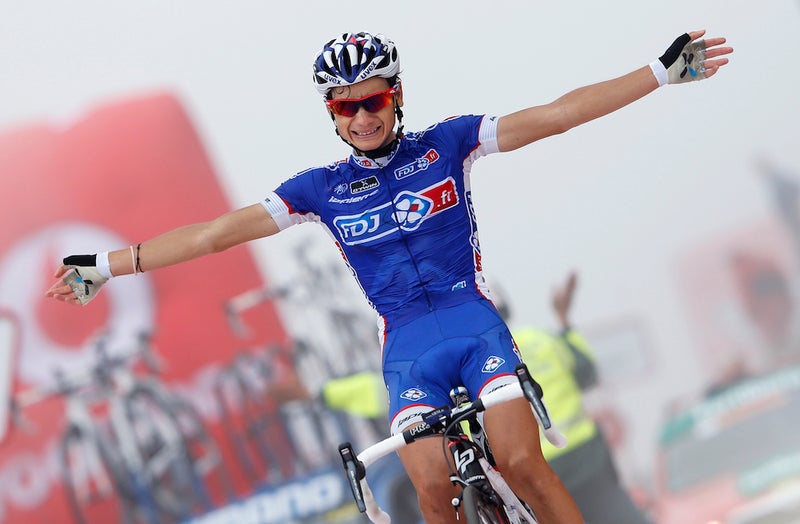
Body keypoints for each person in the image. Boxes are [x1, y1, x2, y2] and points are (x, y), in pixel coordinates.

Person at [46, 29, 732, 524]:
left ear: (395, 95)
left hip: (473, 325)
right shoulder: (318, 189)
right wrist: (105, 267)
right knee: (434, 496)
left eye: (372, 99)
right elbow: (215, 234)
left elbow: (555, 116)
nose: (363, 115)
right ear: (332, 116)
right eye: (346, 107)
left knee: (524, 465)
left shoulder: (451, 141)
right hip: (407, 352)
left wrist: (658, 72)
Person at [501, 272, 652, 524]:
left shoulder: (479, 370)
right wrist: (564, 322)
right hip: (586, 455)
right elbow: (587, 374)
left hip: (538, 471)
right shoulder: (542, 339)